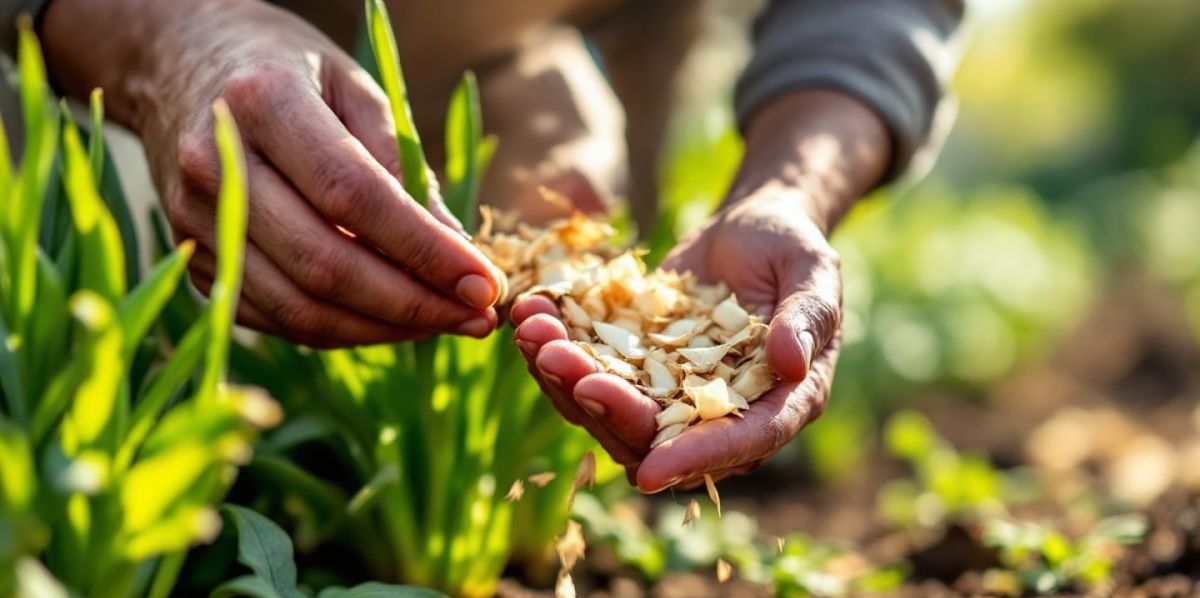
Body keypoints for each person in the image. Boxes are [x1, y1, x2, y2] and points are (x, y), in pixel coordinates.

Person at [1, 0, 963, 491]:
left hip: (592, 32)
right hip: (164, 39)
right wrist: (155, 36)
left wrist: (788, 184)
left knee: (561, 375)